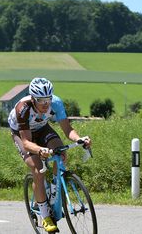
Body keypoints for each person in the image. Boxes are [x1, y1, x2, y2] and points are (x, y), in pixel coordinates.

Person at [8, 77, 92, 232]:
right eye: (41, 100)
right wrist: (40, 150)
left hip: (41, 128)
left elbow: (68, 130)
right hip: (22, 134)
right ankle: (46, 215)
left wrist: (79, 139)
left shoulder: (56, 103)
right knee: (38, 169)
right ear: (33, 99)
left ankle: (54, 190)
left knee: (60, 153)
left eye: (48, 99)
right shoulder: (23, 108)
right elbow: (26, 142)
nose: (45, 104)